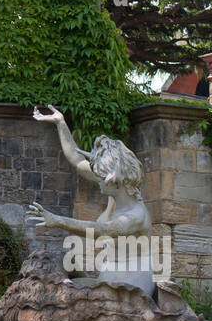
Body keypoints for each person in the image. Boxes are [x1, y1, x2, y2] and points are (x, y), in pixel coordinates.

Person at [28, 105, 156, 296]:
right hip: (108, 280)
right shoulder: (114, 190)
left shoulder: (136, 215)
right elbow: (77, 160)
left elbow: (104, 230)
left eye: (100, 176)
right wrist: (60, 123)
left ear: (115, 179)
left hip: (133, 287)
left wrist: (57, 220)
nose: (97, 180)